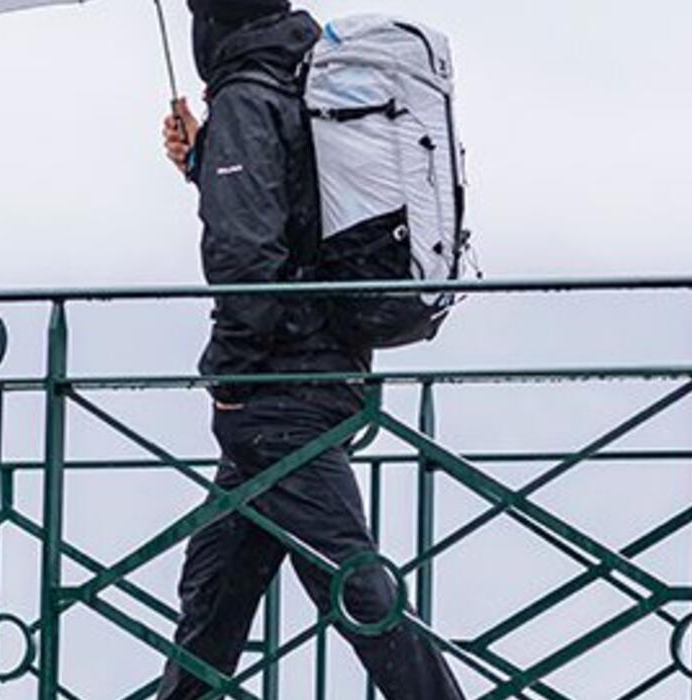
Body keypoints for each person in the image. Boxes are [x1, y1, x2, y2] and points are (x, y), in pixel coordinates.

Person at [154, 1, 466, 698]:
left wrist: (230, 375)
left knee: (355, 585)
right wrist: (206, 159)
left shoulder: (246, 94)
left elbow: (247, 257)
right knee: (213, 592)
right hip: (323, 370)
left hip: (276, 391)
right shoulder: (305, 76)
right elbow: (302, 213)